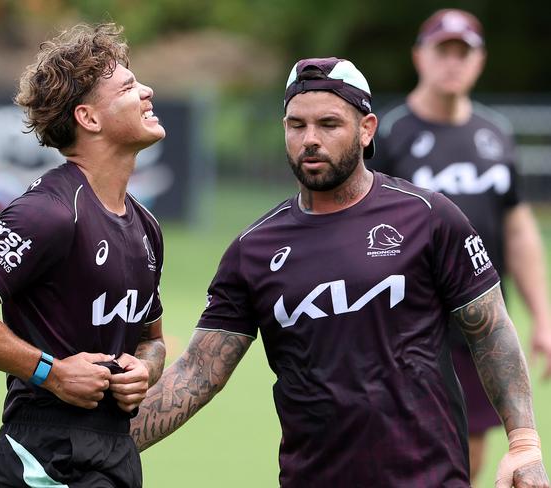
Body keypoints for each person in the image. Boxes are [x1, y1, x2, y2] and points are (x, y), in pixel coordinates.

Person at [130, 56, 549, 487]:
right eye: (297, 125)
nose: (310, 139)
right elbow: (199, 371)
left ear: (366, 129)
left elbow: (491, 329)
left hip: (430, 478)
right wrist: (106, 448)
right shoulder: (252, 249)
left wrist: (524, 444)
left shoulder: (429, 218)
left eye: (329, 124)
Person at [0, 23, 166, 488]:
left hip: (117, 450)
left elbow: (150, 339)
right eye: (130, 87)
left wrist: (146, 368)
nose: (148, 91)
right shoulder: (49, 212)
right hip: (47, 455)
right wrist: (49, 372)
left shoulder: (147, 227)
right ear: (89, 118)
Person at [371, 9, 551, 482]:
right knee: (401, 451)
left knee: (467, 455)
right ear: (419, 57)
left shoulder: (494, 134)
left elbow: (517, 227)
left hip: (476, 320)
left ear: (479, 61)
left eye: (463, 53)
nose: (452, 62)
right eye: (442, 51)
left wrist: (543, 317)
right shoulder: (389, 135)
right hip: (407, 324)